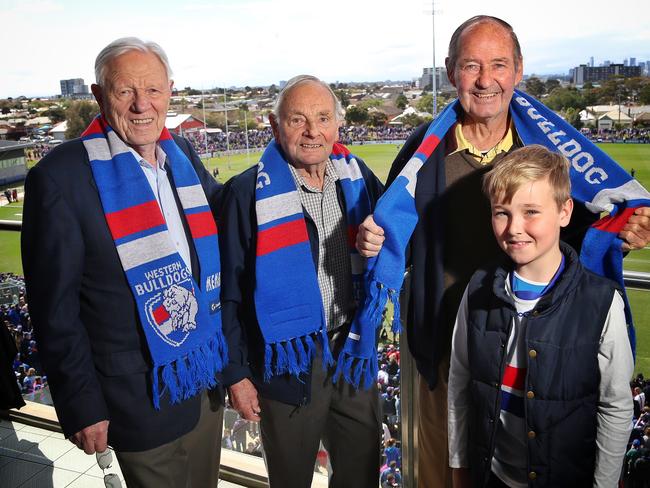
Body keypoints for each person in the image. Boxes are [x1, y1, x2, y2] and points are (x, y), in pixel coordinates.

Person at [356, 16, 650, 487]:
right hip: (446, 350)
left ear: (518, 70)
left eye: (498, 64)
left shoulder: (551, 151)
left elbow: (586, 226)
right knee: (445, 473)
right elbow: (393, 236)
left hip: (538, 351)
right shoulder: (420, 152)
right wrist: (372, 244)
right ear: (451, 71)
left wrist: (625, 230)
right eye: (471, 65)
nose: (486, 79)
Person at [21, 37, 227, 488]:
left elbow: (230, 219)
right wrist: (81, 403)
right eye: (124, 92)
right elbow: (54, 309)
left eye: (152, 91)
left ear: (170, 92)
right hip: (137, 398)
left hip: (203, 381)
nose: (141, 106)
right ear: (98, 96)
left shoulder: (183, 157)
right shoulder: (59, 178)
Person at [219, 75, 383, 488]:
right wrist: (237, 375)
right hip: (287, 362)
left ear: (337, 125)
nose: (313, 131)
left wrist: (381, 241)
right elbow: (227, 295)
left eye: (323, 118)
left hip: (351, 351)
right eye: (298, 120)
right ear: (275, 127)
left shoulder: (357, 175)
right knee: (291, 479)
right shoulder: (245, 194)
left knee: (361, 475)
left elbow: (398, 236)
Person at [447, 145, 634, 486]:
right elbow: (461, 385)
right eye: (501, 212)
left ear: (565, 212)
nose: (514, 227)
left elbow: (615, 407)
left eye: (531, 211)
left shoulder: (602, 301)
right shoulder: (477, 289)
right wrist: (460, 468)